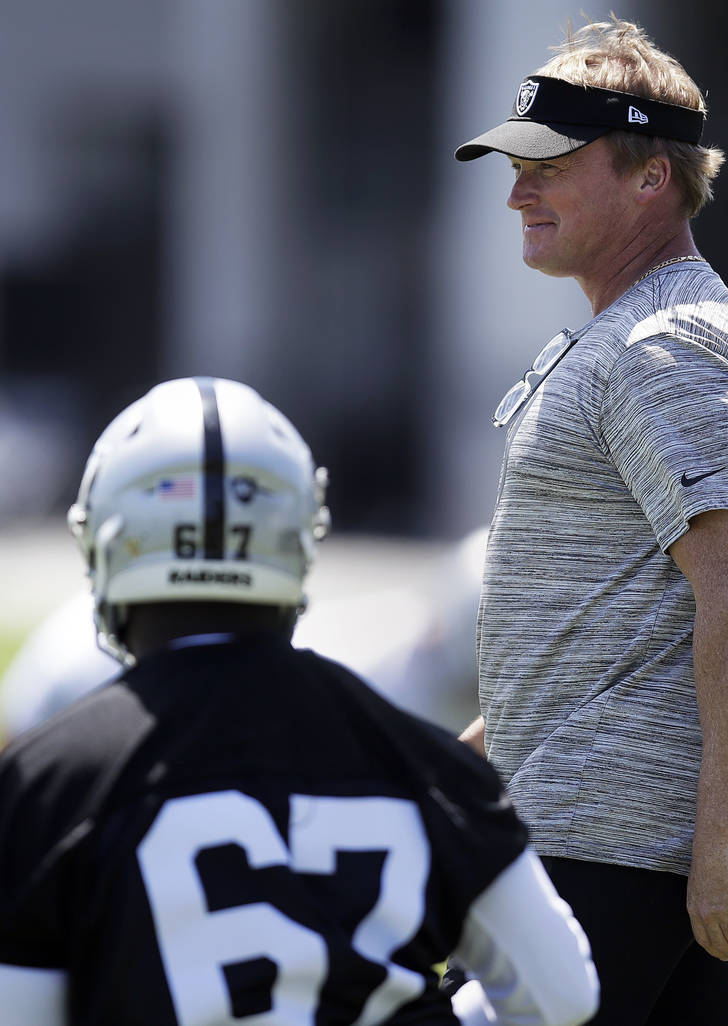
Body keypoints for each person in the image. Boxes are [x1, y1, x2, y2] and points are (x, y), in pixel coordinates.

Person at [0, 376, 600, 1026]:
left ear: (110, 541)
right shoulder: (422, 763)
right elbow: (561, 995)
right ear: (297, 537)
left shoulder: (50, 781)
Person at [452, 15, 728, 1024]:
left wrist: (723, 843)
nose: (517, 191)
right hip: (616, 835)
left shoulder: (666, 344)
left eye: (549, 166)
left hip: (615, 843)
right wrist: (475, 750)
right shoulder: (629, 331)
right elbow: (621, 613)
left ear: (651, 176)